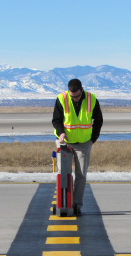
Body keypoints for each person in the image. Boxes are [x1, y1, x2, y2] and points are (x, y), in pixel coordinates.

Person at [52, 78, 103, 216]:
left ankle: (76, 206)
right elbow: (56, 120)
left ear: (82, 91)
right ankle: (64, 203)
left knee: (81, 175)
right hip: (65, 143)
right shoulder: (62, 98)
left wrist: (92, 139)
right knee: (64, 174)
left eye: (77, 96)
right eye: (72, 96)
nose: (74, 98)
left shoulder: (91, 99)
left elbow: (98, 120)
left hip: (84, 144)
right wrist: (61, 133)